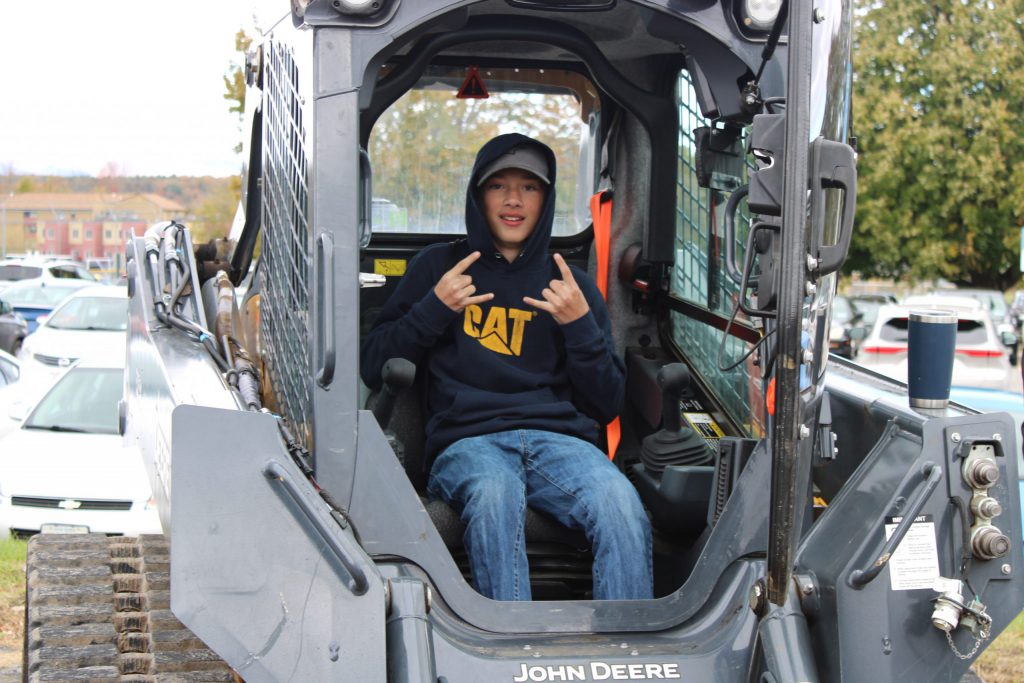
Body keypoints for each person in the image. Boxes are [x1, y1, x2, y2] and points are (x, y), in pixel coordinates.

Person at [361, 133, 652, 601]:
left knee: (619, 502)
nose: (514, 200)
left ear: (546, 199)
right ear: (479, 196)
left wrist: (579, 327)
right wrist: (433, 308)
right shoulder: (438, 267)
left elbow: (607, 404)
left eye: (530, 187)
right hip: (468, 442)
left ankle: (625, 652)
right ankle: (509, 649)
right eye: (499, 185)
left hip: (560, 444)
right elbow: (374, 367)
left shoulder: (570, 285)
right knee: (496, 495)